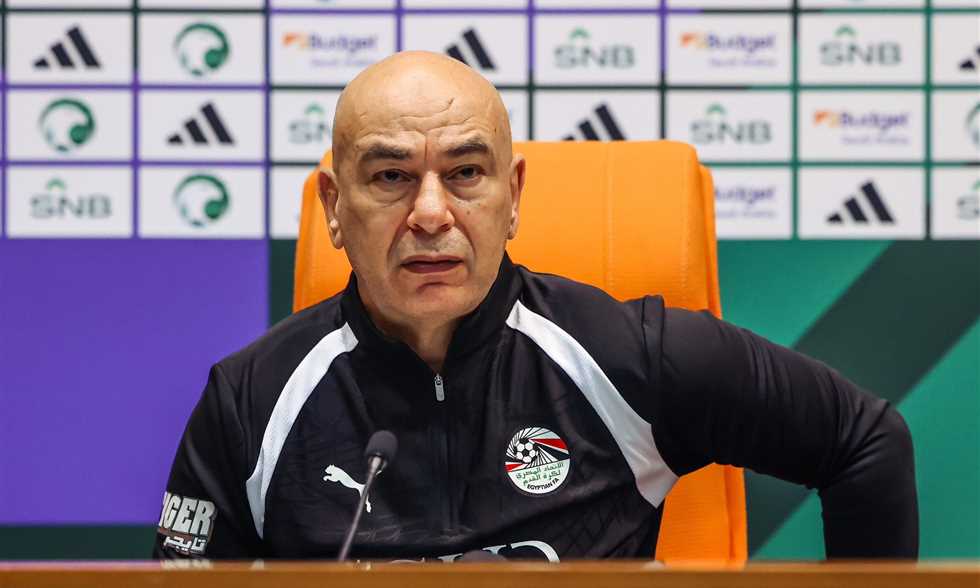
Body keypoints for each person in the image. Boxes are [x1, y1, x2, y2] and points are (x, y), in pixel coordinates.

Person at [153, 51, 917, 561]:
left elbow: (864, 441)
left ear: (512, 196)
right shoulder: (250, 402)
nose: (431, 213)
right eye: (390, 177)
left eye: (465, 173)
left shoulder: (630, 357)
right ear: (333, 206)